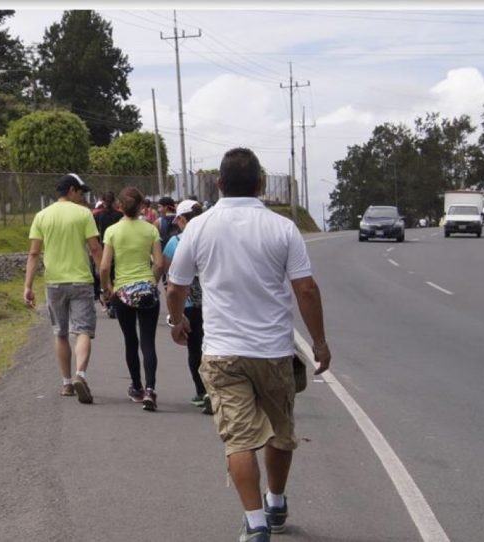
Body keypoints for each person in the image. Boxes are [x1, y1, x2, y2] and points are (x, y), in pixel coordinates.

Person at [166, 148, 331, 541]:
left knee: (239, 440)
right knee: (279, 431)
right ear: (259, 184)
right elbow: (305, 289)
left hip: (222, 353)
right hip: (273, 351)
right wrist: (320, 343)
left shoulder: (199, 228)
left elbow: (176, 285)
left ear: (219, 184)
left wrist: (176, 320)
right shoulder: (282, 228)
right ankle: (275, 501)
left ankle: (255, 522)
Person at [24, 173, 103, 404]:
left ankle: (67, 383)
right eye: (80, 192)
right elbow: (95, 249)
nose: (82, 196)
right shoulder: (83, 214)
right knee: (84, 331)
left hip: (54, 282)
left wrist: (27, 286)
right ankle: (81, 374)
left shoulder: (42, 216)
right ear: (71, 190)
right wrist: (105, 280)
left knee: (60, 332)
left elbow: (34, 253)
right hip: (80, 280)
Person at [100, 187, 164, 411]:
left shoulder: (112, 231)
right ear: (141, 207)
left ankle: (136, 386)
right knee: (148, 341)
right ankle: (151, 389)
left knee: (130, 340)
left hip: (123, 292)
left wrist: (107, 287)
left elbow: (105, 266)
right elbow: (158, 263)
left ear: (120, 206)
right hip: (147, 289)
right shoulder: (150, 230)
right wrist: (152, 282)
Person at [161, 199, 207, 411]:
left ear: (180, 219)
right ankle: (215, 390)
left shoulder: (175, 241)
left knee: (194, 348)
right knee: (214, 347)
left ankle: (201, 390)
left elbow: (168, 275)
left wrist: (174, 315)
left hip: (187, 303)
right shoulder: (209, 237)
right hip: (212, 302)